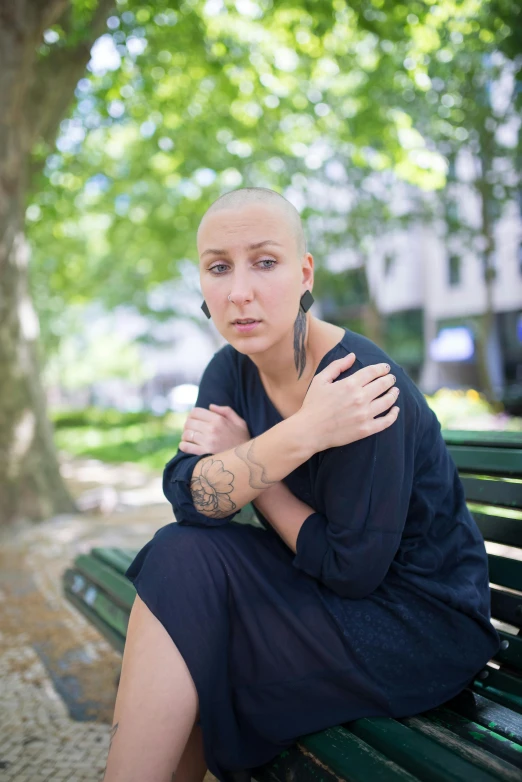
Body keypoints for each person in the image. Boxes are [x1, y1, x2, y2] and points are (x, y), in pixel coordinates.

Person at [102, 187, 500, 782]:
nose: (240, 291)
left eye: (265, 262)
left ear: (304, 272)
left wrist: (253, 468)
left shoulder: (361, 383)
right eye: (218, 267)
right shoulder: (232, 368)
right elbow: (189, 494)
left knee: (198, 632)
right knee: (181, 554)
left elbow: (351, 568)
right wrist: (302, 434)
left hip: (415, 625)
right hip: (322, 595)